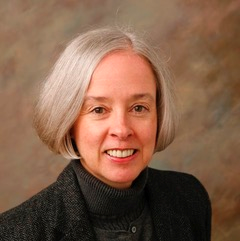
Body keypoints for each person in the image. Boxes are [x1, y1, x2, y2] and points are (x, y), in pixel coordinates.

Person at [0, 26, 211, 241]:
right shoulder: (14, 233)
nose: (122, 130)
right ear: (69, 122)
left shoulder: (189, 198)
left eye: (139, 108)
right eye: (98, 110)